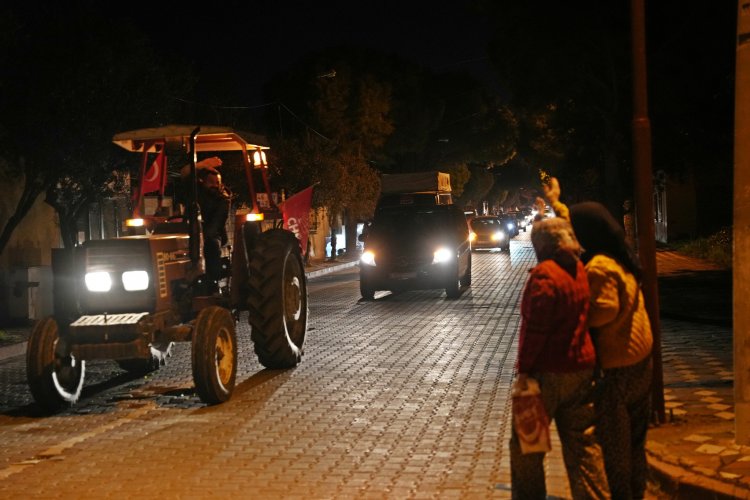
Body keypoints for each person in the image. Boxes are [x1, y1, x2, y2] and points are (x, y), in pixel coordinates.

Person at [543, 179, 654, 499]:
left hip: (618, 368)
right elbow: (581, 221)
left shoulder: (600, 267)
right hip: (640, 360)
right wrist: (557, 203)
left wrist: (574, 313)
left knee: (616, 442)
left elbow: (604, 310)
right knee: (635, 438)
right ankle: (635, 490)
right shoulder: (620, 255)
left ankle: (624, 494)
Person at [511, 216, 610, 500]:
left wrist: (525, 371)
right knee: (583, 446)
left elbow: (536, 331)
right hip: (581, 369)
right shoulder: (578, 269)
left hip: (547, 374)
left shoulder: (544, 277)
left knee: (526, 447)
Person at [181, 157, 231, 290]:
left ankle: (213, 281)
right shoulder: (195, 192)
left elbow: (217, 222)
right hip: (191, 231)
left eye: (217, 183)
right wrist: (201, 165)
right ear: (202, 182)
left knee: (211, 245)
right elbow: (185, 172)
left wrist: (204, 234)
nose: (214, 185)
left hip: (211, 233)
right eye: (211, 182)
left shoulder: (223, 199)